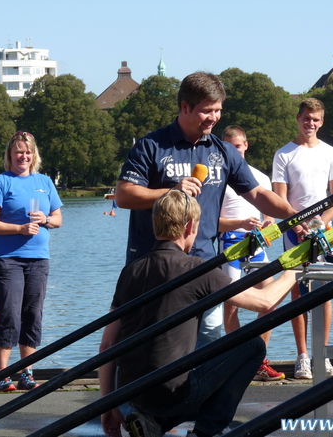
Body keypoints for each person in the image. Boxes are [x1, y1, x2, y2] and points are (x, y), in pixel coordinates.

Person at [115, 71, 299, 348]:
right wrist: (171, 191)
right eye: (206, 111)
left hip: (203, 265)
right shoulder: (150, 146)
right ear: (185, 107)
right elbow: (124, 196)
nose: (213, 117)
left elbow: (259, 194)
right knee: (151, 348)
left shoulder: (224, 152)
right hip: (153, 266)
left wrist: (296, 216)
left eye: (218, 110)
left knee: (207, 346)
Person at [99, 190, 297, 437]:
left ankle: (153, 423)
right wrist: (293, 269)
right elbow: (264, 301)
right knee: (253, 346)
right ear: (190, 226)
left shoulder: (131, 270)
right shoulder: (196, 269)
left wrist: (106, 405)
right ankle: (205, 431)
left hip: (132, 395)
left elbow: (107, 345)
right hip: (171, 394)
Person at [0, 131, 63, 392]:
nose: (23, 156)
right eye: (18, 152)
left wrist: (45, 220)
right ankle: (2, 375)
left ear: (34, 155)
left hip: (39, 260)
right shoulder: (0, 182)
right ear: (10, 155)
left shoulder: (45, 182)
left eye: (27, 152)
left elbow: (58, 219)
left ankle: (26, 373)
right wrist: (19, 229)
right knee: (10, 316)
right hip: (7, 259)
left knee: (32, 315)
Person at [272, 98, 333, 379]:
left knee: (324, 294)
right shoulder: (284, 154)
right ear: (298, 118)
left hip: (321, 230)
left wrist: (318, 224)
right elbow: (279, 197)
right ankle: (302, 355)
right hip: (294, 231)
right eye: (306, 118)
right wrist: (299, 224)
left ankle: (321, 355)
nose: (310, 124)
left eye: (315, 120)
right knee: (297, 293)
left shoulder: (331, 153)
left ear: (321, 122)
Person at [218, 125, 284, 382]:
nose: (233, 151)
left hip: (255, 245)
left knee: (273, 297)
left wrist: (268, 224)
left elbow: (270, 217)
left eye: (237, 146)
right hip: (230, 245)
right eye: (227, 147)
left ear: (245, 146)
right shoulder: (218, 179)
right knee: (232, 302)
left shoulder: (261, 178)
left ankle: (257, 357)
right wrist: (239, 224)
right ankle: (236, 357)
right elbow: (210, 223)